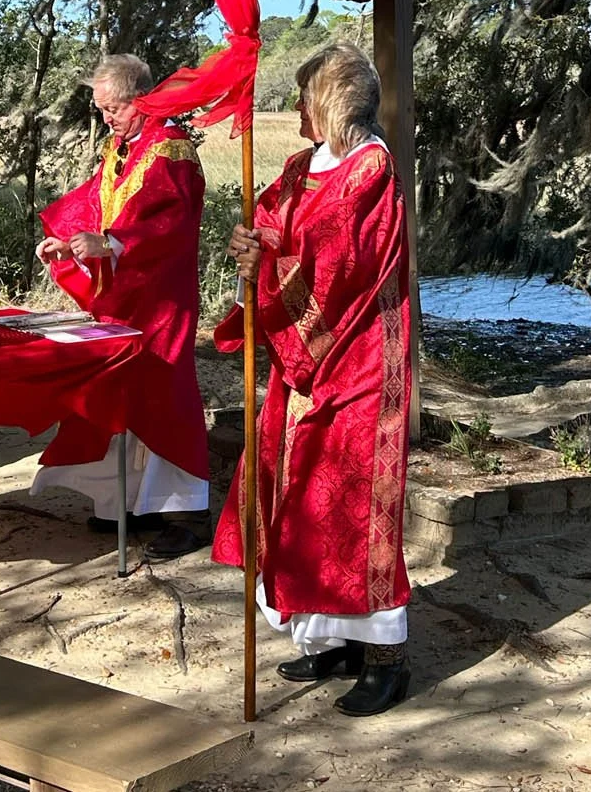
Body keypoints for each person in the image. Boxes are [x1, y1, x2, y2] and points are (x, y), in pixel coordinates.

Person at [213, 42, 412, 716]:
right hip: (303, 363)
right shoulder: (302, 165)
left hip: (358, 359)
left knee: (353, 507)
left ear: (329, 102)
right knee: (297, 502)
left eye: (305, 98)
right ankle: (330, 636)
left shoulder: (371, 168)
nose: (297, 110)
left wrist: (270, 265)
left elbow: (341, 259)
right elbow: (276, 220)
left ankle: (385, 657)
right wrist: (252, 243)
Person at [33, 53, 211, 561]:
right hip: (123, 296)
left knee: (164, 397)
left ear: (142, 100)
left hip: (161, 299)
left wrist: (110, 243)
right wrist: (71, 242)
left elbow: (169, 225)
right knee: (122, 394)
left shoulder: (172, 151)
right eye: (102, 109)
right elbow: (98, 203)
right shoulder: (122, 146)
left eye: (113, 108)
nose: (106, 117)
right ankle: (132, 504)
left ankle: (188, 515)